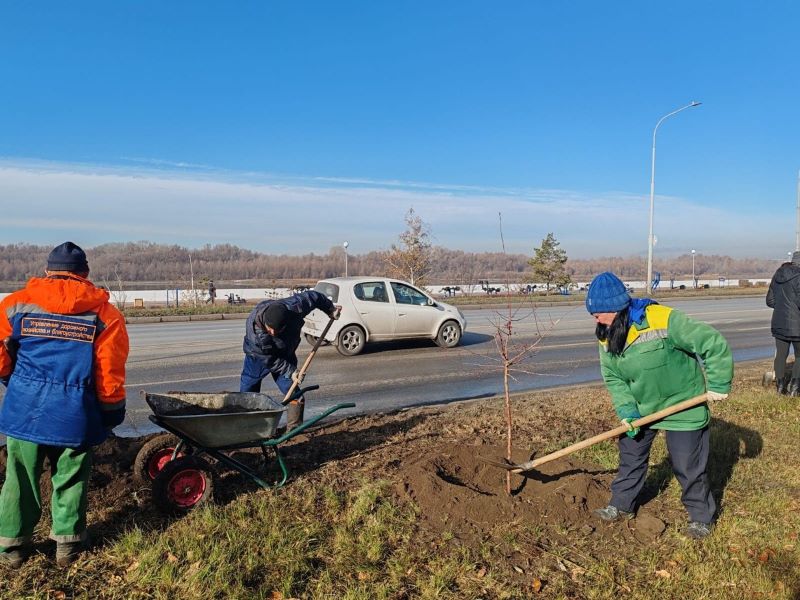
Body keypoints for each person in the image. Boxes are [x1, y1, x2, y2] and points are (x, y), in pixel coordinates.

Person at [0, 242, 129, 568]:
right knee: (71, 478)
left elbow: (1, 358)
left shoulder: (14, 305)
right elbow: (108, 370)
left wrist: (13, 381)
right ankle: (68, 547)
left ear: (47, 271)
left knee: (18, 476)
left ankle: (12, 548)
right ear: (84, 274)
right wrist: (112, 409)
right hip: (74, 411)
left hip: (24, 409)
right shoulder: (105, 315)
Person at [585, 272, 733, 539]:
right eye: (593, 314)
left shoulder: (663, 319)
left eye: (599, 312)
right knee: (630, 457)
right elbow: (614, 377)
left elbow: (711, 342)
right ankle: (620, 505)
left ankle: (701, 517)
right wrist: (627, 410)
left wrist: (719, 384)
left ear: (617, 307)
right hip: (643, 408)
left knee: (688, 466)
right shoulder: (606, 334)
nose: (596, 319)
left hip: (683, 404)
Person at [240, 290, 339, 431]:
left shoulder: (296, 306)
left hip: (285, 352)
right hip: (258, 357)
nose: (273, 333)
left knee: (293, 392)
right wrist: (291, 370)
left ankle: (294, 429)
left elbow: (315, 297)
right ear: (264, 322)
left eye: (277, 329)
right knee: (248, 391)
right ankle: (247, 428)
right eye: (270, 329)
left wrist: (330, 309)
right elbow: (270, 360)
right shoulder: (256, 334)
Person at [766, 254, 800, 395]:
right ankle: (795, 386)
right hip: (797, 324)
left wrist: (782, 308)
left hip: (779, 322)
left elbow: (770, 301)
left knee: (780, 355)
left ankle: (780, 387)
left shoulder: (777, 275)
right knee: (799, 356)